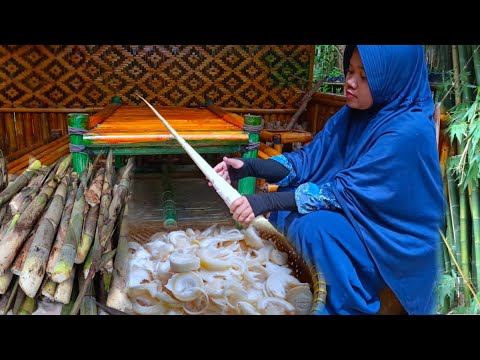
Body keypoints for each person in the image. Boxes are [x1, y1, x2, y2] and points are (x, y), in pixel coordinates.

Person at [210, 45, 445, 315]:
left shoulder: (409, 131)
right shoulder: (353, 113)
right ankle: (303, 285)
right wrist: (248, 167)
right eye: (350, 71)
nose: (350, 82)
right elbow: (309, 160)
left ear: (393, 76)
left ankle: (342, 306)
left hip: (390, 235)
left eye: (364, 76)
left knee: (316, 227)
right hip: (357, 213)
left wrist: (264, 201)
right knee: (293, 202)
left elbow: (344, 192)